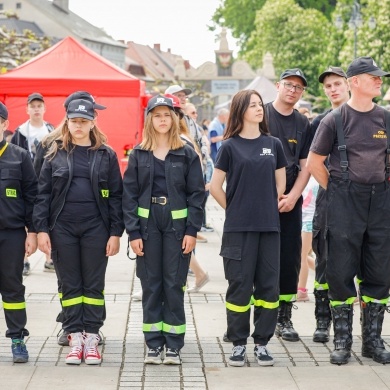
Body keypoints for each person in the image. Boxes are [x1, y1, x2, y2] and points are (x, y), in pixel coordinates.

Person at [306, 56, 390, 365]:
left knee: (380, 272)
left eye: (380, 77)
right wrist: (340, 191)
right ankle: (342, 340)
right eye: (374, 77)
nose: (380, 81)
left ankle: (373, 341)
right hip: (344, 201)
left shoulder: (386, 118)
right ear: (355, 82)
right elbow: (315, 163)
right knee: (340, 271)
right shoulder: (335, 119)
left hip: (381, 202)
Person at [33, 97, 124, 365]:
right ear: (68, 123)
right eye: (74, 121)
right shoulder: (54, 153)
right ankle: (74, 335)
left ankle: (92, 336)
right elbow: (43, 194)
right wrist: (41, 230)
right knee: (70, 284)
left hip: (97, 227)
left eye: (84, 121)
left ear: (93, 123)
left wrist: (116, 232)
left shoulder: (105, 154)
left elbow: (117, 196)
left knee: (93, 284)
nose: (79, 126)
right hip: (62, 228)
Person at [122, 95, 204, 365]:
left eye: (167, 115)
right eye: (157, 115)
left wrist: (192, 231)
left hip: (176, 228)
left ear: (174, 118)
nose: (162, 120)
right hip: (147, 229)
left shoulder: (186, 153)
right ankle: (154, 344)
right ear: (149, 120)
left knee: (173, 284)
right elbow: (129, 196)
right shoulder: (139, 154)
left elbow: (196, 195)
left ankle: (173, 346)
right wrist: (133, 233)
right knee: (151, 285)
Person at [210, 89, 287, 367]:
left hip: (268, 227)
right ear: (240, 110)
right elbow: (215, 187)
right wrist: (235, 210)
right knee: (239, 287)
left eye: (259, 105)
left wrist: (267, 204)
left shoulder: (273, 144)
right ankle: (238, 343)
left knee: (268, 287)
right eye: (252, 105)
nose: (259, 109)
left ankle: (263, 343)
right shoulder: (229, 146)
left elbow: (281, 185)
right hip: (238, 230)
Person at [264, 69, 312, 342]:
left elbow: (305, 166)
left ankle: (284, 317)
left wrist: (293, 196)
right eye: (289, 85)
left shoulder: (302, 123)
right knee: (256, 259)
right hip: (260, 201)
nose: (293, 90)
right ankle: (251, 319)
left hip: (289, 203)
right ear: (278, 86)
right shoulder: (261, 115)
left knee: (289, 259)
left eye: (299, 88)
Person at [310, 66, 350, 343]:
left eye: (337, 83)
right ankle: (323, 322)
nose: (332, 89)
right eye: (328, 86)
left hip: (365, 201)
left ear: (349, 84)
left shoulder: (370, 118)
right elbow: (311, 163)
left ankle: (356, 329)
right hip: (329, 198)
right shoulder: (321, 121)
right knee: (325, 260)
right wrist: (334, 190)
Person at [0, 102, 37, 363]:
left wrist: (33, 232)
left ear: (4, 124)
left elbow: (32, 197)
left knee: (12, 287)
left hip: (10, 234)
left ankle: (17, 338)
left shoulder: (20, 156)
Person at [11, 92, 55, 274]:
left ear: (44, 108)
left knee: (48, 215)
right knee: (23, 217)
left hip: (47, 180)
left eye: (39, 106)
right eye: (33, 106)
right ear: (27, 109)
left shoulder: (52, 131)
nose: (36, 109)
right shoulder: (19, 132)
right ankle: (24, 258)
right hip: (25, 180)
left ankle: (50, 257)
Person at [164, 85, 209, 244]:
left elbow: (199, 142)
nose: (183, 98)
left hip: (193, 174)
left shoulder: (188, 121)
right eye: (179, 95)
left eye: (184, 96)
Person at [296, 176, 318, 301]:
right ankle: (326, 274)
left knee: (301, 256)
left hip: (311, 221)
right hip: (303, 219)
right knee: (301, 255)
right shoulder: (306, 177)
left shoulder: (318, 177)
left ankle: (301, 290)